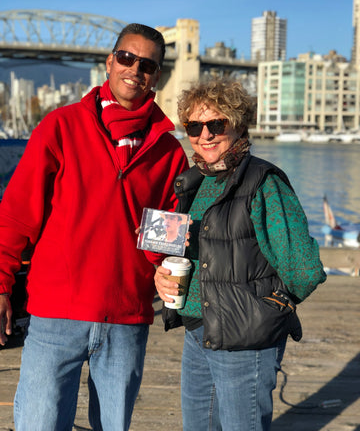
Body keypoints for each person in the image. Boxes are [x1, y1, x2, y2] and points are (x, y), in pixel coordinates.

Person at [0, 23, 189, 431]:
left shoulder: (169, 151)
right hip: (55, 313)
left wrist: (164, 265)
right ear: (109, 62)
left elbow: (164, 238)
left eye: (147, 65)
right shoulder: (61, 127)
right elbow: (18, 214)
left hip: (126, 317)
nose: (134, 70)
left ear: (156, 76)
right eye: (126, 57)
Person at [154, 77, 326, 431]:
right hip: (197, 331)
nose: (206, 135)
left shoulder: (264, 182)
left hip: (246, 341)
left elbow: (304, 269)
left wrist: (265, 312)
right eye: (195, 126)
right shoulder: (198, 181)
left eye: (217, 124)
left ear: (238, 125)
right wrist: (163, 275)